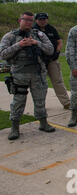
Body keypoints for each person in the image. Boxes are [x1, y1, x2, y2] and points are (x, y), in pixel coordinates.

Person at [0, 11, 55, 140]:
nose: (29, 22)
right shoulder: (10, 36)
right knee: (18, 102)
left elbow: (50, 49)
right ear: (20, 20)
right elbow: (2, 54)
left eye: (31, 20)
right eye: (26, 20)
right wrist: (19, 45)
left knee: (40, 99)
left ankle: (43, 123)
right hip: (20, 74)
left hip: (38, 74)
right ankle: (15, 128)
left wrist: (37, 43)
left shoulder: (39, 35)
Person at [33, 12, 71, 109]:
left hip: (52, 60)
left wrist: (57, 52)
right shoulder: (33, 30)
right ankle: (40, 105)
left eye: (44, 19)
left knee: (58, 81)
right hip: (39, 61)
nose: (42, 21)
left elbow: (59, 41)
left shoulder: (51, 29)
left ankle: (66, 103)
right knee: (40, 83)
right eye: (40, 19)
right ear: (36, 20)